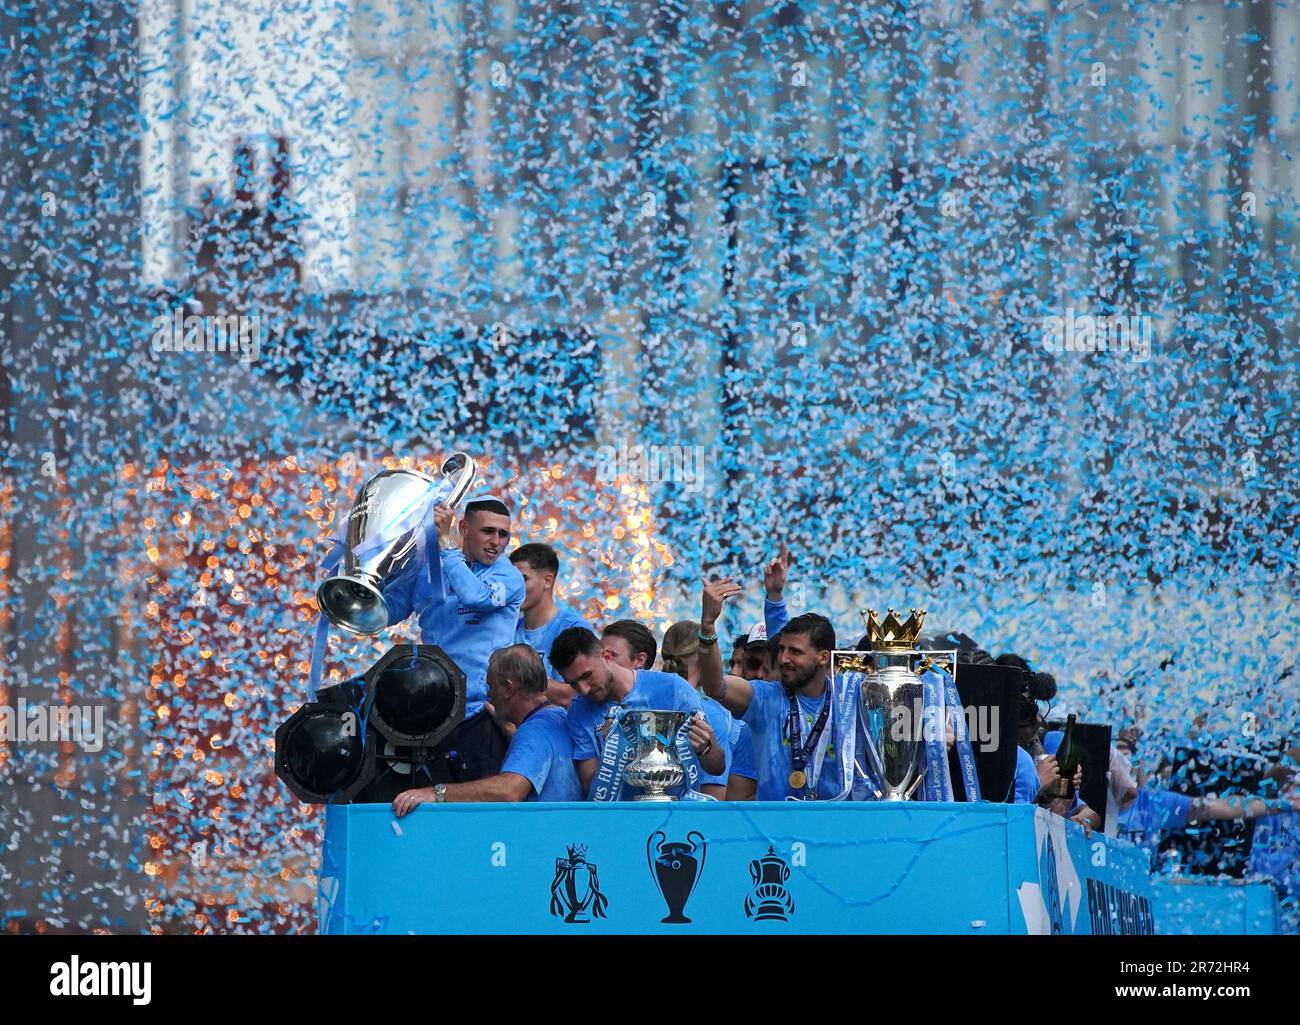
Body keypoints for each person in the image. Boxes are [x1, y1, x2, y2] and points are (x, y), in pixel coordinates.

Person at [381, 496, 525, 780]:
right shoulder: (427, 568)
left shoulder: (509, 576)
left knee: (473, 810)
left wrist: (445, 542)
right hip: (430, 709)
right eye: (487, 531)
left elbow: (475, 597)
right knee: (427, 804)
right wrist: (367, 576)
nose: (496, 541)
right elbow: (386, 612)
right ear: (464, 528)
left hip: (482, 712)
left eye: (503, 534)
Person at [699, 578, 851, 801]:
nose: (783, 658)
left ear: (823, 657)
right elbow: (716, 687)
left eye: (795, 652)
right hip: (776, 830)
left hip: (838, 828)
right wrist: (708, 625)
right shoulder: (766, 698)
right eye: (781, 650)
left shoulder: (847, 699)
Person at [391, 645, 581, 811]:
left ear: (508, 688)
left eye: (490, 686)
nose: (488, 694)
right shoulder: (557, 717)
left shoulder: (534, 731)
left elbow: (509, 791)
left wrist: (437, 792)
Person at [550, 626, 725, 798]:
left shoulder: (673, 688)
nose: (584, 689)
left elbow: (717, 767)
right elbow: (590, 789)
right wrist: (611, 752)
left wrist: (705, 748)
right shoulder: (579, 711)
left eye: (587, 676)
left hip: (674, 816)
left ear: (606, 656)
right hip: (621, 820)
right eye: (573, 683)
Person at [661, 619, 758, 799]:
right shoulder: (711, 713)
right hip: (692, 824)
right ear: (703, 655)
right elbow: (715, 795)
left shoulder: (649, 701)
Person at [510, 542, 593, 707]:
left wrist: (517, 676)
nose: (514, 587)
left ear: (547, 581)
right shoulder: (509, 628)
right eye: (511, 580)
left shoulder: (573, 628)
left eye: (523, 579)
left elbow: (575, 694)